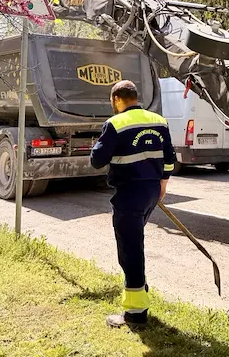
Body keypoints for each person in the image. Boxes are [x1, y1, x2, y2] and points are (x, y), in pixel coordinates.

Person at [90, 79, 176, 328]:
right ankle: (141, 291)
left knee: (130, 251)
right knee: (133, 243)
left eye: (112, 101)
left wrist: (100, 144)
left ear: (117, 99)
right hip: (151, 192)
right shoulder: (159, 121)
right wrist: (162, 184)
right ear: (136, 98)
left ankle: (136, 313)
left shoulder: (115, 124)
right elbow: (169, 157)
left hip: (129, 194)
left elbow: (97, 160)